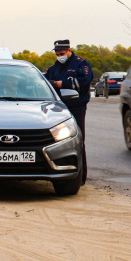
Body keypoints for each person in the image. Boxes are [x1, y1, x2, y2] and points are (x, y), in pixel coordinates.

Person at [44, 39, 93, 185]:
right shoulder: (54, 68)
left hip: (76, 106)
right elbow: (45, 82)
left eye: (62, 53)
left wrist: (62, 84)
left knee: (78, 141)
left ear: (69, 51)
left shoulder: (80, 64)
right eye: (57, 54)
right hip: (58, 109)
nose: (60, 56)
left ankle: (81, 177)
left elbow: (84, 81)